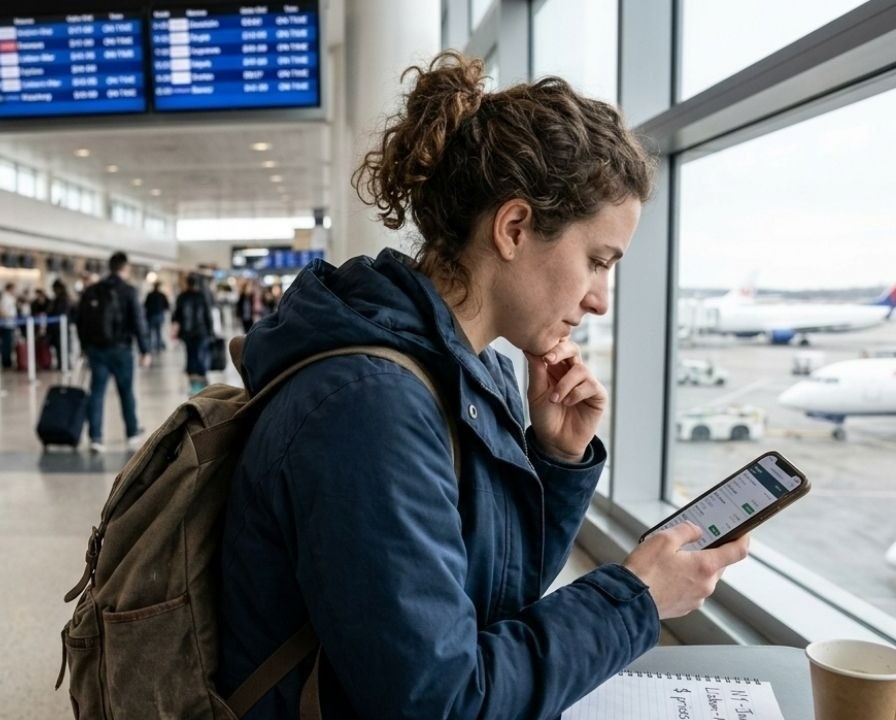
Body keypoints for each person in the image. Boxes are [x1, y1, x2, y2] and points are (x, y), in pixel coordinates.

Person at [218, 52, 750, 719]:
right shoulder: (369, 405)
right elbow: (442, 703)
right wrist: (637, 599)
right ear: (515, 227)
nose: (600, 301)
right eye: (597, 261)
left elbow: (497, 598)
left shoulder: (476, 369)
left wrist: (554, 461)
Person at [75, 251, 151, 452]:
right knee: (126, 391)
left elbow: (80, 321)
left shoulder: (92, 290)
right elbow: (138, 321)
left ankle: (96, 437)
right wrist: (145, 350)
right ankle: (132, 431)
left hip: (97, 351)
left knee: (97, 393)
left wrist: (85, 347)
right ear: (125, 268)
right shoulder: (128, 291)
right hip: (122, 350)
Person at [172, 274, 214, 395]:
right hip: (201, 332)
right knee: (200, 356)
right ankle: (203, 382)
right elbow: (208, 316)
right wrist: (211, 331)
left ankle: (194, 385)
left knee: (190, 356)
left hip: (186, 333)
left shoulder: (182, 297)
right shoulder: (202, 296)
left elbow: (176, 316)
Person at [48, 279, 73, 370]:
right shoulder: (62, 298)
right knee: (60, 346)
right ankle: (62, 364)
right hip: (60, 327)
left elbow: (58, 313)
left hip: (60, 327)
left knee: (63, 346)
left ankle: (64, 364)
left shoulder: (62, 299)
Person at [144, 281, 171, 354]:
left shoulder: (150, 295)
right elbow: (167, 306)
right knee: (158, 332)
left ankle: (149, 347)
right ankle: (158, 348)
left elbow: (145, 305)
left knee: (150, 332)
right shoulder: (162, 295)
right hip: (159, 315)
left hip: (151, 316)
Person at [0, 282, 18, 368]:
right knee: (6, 344)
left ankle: (7, 360)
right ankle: (6, 362)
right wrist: (8, 317)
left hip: (10, 324)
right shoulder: (5, 298)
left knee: (8, 343)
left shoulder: (9, 298)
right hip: (6, 324)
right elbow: (1, 311)